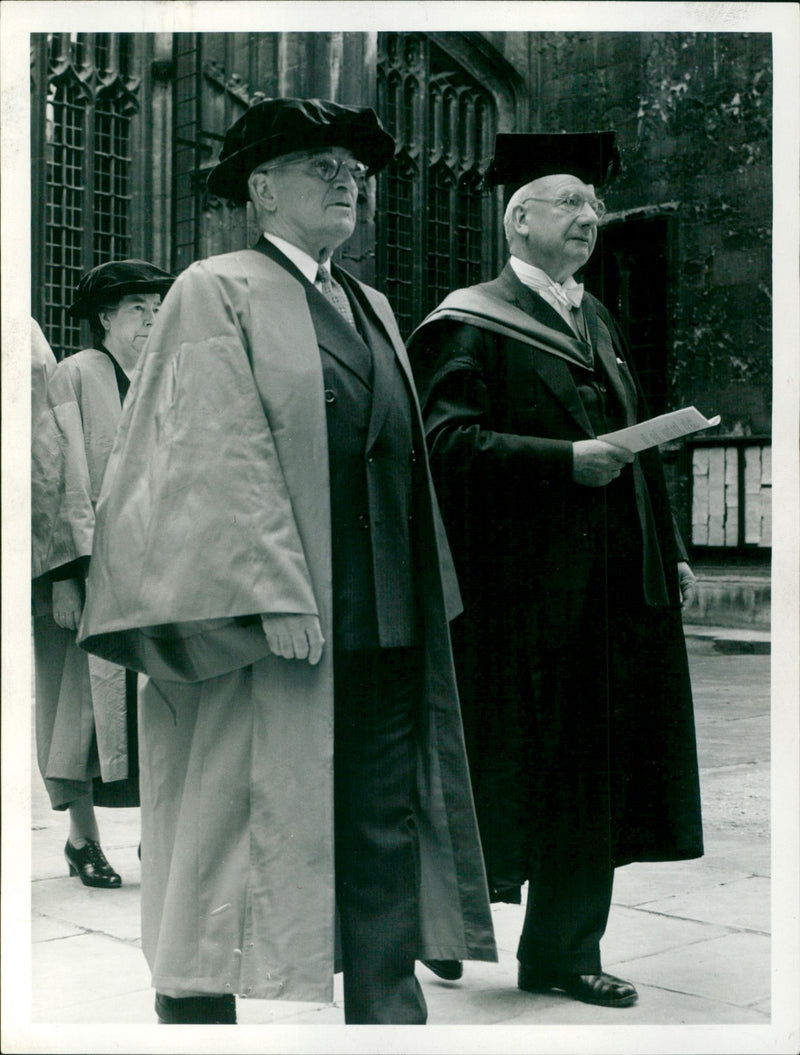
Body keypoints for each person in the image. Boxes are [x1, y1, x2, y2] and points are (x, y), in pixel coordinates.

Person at [78, 97, 496, 1026]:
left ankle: (388, 1009)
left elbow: (401, 459)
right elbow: (207, 448)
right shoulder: (214, 287)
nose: (348, 178)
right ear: (261, 189)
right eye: (321, 164)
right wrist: (272, 586)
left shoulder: (372, 302)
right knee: (229, 813)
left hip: (381, 612)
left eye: (354, 168)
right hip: (268, 617)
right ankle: (196, 1006)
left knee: (383, 817)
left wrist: (430, 593)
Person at [408, 132, 704, 1008]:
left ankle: (565, 950)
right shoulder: (467, 322)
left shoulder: (596, 316)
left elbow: (636, 444)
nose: (590, 217)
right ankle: (440, 920)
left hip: (612, 597)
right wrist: (561, 459)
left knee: (594, 771)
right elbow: (441, 447)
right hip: (516, 601)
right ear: (519, 217)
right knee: (503, 769)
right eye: (571, 201)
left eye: (597, 207)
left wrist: (675, 553)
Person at [31, 261, 173, 888]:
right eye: (135, 309)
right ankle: (81, 840)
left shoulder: (165, 379)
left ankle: (157, 836)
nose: (149, 319)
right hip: (86, 573)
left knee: (156, 708)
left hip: (156, 576)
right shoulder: (75, 376)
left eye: (155, 307)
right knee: (79, 711)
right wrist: (66, 573)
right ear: (104, 320)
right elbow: (52, 475)